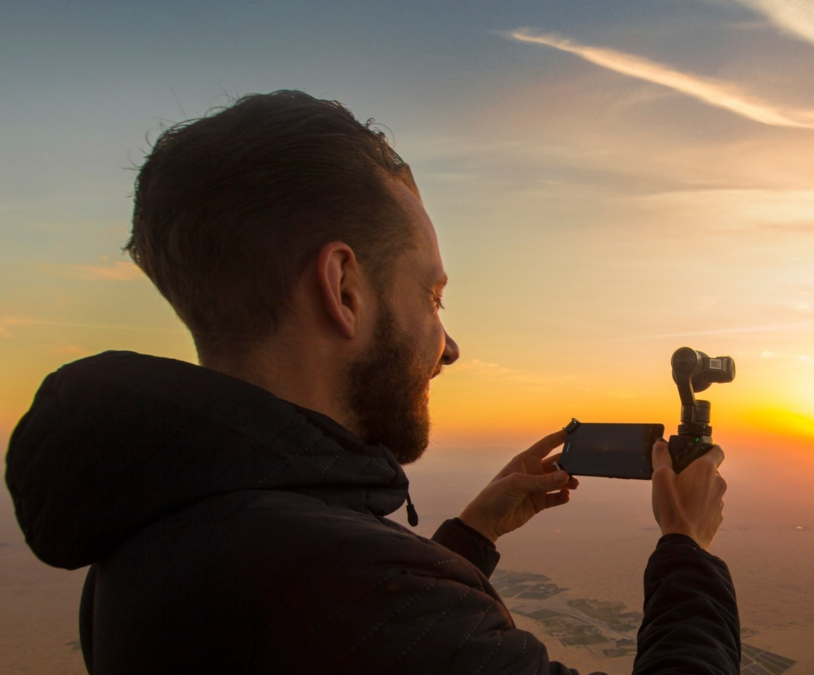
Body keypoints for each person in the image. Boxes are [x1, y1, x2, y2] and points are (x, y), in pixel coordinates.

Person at [5, 90, 739, 674]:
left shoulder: (160, 527)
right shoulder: (332, 587)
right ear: (344, 288)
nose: (448, 345)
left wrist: (471, 535)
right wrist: (688, 549)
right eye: (431, 296)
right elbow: (358, 617)